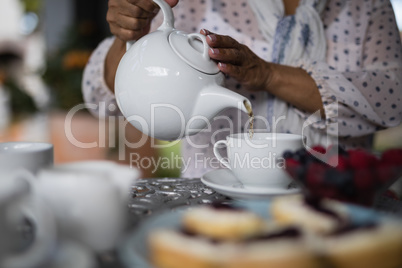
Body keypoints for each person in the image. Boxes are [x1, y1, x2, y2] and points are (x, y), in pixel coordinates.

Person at [82, 0, 402, 177]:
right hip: (214, 205)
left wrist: (266, 75)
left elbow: (393, 97)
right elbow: (102, 100)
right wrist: (131, 36)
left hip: (337, 203)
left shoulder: (367, 6)